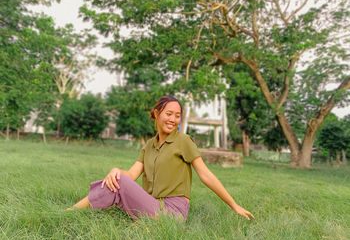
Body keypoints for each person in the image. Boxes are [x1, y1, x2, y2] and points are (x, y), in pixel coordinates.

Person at [68, 95, 254, 221]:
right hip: (153, 204)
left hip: (173, 211)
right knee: (117, 180)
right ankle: (73, 213)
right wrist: (115, 170)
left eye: (177, 116)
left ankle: (71, 213)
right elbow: (131, 174)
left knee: (120, 183)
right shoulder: (149, 145)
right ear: (157, 114)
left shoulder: (183, 141)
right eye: (169, 114)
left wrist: (234, 205)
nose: (173, 119)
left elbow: (206, 175)